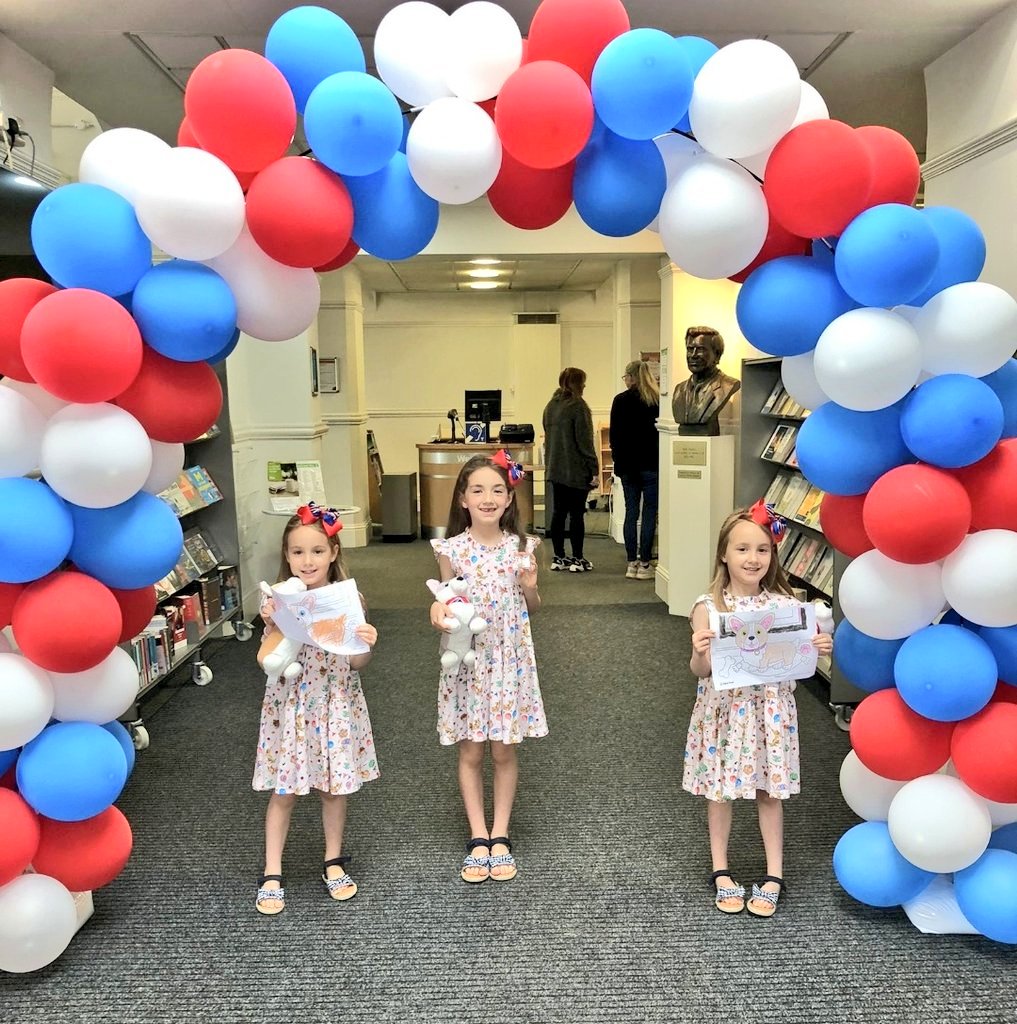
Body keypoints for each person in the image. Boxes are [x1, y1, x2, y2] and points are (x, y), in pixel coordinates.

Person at [683, 501, 833, 918]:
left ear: (773, 554)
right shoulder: (709, 606)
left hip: (770, 712)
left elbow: (797, 663)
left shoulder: (786, 605)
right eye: (743, 549)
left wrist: (818, 648)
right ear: (724, 555)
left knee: (769, 790)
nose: (753, 559)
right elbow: (700, 671)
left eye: (762, 550)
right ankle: (720, 868)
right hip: (726, 712)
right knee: (721, 790)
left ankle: (773, 873)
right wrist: (700, 653)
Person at [253, 503, 379, 916]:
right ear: (286, 556)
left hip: (335, 703)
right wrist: (271, 623)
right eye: (298, 552)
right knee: (284, 790)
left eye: (317, 551)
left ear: (334, 553)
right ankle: (272, 870)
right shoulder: (276, 600)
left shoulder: (348, 598)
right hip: (291, 706)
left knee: (333, 787)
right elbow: (264, 659)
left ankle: (333, 859)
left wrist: (367, 641)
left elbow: (357, 663)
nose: (308, 561)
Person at [428, 451, 547, 883]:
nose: (488, 497)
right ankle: (478, 835)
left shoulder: (522, 546)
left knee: (504, 749)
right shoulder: (451, 549)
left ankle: (501, 834)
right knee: (471, 749)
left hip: (509, 660)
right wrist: (436, 614)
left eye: (498, 489)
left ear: (509, 498)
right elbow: (443, 602)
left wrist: (531, 588)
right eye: (477, 489)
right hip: (468, 662)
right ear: (462, 498)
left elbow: (532, 607)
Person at [542, 366, 600, 572]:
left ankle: (559, 557)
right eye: (583, 382)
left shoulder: (550, 406)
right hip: (575, 470)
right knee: (576, 514)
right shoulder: (578, 406)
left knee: (558, 513)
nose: (584, 385)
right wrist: (594, 468)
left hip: (555, 469)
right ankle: (578, 558)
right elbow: (585, 443)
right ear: (577, 384)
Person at [609, 360, 660, 580]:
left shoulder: (620, 401)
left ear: (630, 377)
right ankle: (646, 563)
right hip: (651, 465)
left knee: (631, 512)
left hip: (627, 466)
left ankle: (631, 563)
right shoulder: (656, 401)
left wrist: (618, 463)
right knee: (649, 513)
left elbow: (614, 437)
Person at [671, 327, 741, 435]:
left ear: (717, 355)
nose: (693, 355)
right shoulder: (679, 389)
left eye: (700, 349)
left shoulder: (727, 385)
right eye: (690, 349)